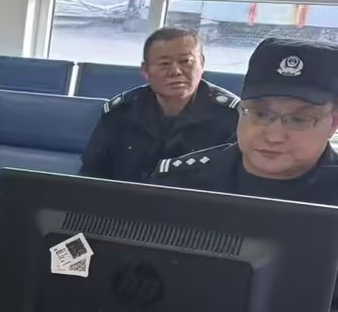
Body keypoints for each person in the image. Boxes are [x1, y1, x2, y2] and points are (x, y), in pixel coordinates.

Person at [155, 37, 338, 209]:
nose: (273, 136)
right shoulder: (178, 184)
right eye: (260, 114)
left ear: (333, 123)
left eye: (298, 120)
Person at [80, 26, 239, 182]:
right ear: (145, 70)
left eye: (185, 61)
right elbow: (92, 175)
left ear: (202, 64)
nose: (175, 71)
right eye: (164, 63)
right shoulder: (120, 112)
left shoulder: (232, 117)